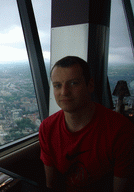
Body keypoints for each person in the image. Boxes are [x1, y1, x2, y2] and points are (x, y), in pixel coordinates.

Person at [39, 56, 134, 192]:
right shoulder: (47, 128)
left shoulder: (120, 130)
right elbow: (52, 185)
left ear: (90, 85)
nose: (64, 92)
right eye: (57, 85)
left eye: (73, 83)